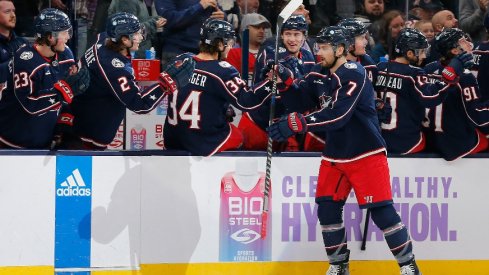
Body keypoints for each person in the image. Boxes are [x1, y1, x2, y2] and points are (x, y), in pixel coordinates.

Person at [267, 25, 422, 275]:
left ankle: (409, 266)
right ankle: (339, 266)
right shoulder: (319, 72)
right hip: (335, 154)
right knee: (327, 209)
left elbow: (339, 115)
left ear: (340, 49)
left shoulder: (354, 72)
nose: (319, 53)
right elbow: (299, 101)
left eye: (325, 48)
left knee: (381, 212)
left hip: (366, 153)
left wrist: (299, 124)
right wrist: (285, 82)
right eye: (318, 47)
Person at [64, 12, 194, 150]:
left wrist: (151, 25)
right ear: (125, 40)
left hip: (78, 116)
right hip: (88, 135)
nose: (141, 37)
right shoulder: (115, 69)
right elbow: (140, 105)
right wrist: (167, 82)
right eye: (136, 34)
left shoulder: (102, 39)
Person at [163, 18, 273, 156]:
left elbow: (194, 92)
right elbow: (247, 101)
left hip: (172, 140)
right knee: (238, 137)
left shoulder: (180, 60)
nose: (231, 47)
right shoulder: (223, 71)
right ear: (220, 44)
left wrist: (218, 108)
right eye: (229, 43)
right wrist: (271, 82)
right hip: (204, 143)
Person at [0, 8, 89, 149]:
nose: (68, 37)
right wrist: (61, 93)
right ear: (50, 37)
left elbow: (69, 93)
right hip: (12, 143)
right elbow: (29, 105)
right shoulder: (25, 60)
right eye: (64, 32)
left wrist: (64, 124)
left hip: (43, 141)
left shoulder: (66, 54)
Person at [375, 28, 473, 154]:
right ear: (409, 53)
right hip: (408, 141)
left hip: (382, 139)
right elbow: (429, 99)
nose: (424, 56)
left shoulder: (379, 67)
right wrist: (448, 78)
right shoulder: (414, 73)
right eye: (421, 52)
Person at [238, 14, 316, 151]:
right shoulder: (271, 52)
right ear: (281, 35)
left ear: (304, 36)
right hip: (259, 123)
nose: (292, 39)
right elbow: (284, 80)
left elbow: (305, 92)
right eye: (288, 34)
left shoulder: (308, 57)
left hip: (286, 126)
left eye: (297, 34)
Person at [423, 28, 489, 161]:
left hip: (431, 139)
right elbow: (478, 117)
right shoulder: (464, 76)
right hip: (454, 144)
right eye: (464, 41)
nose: (469, 44)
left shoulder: (429, 68)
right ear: (455, 50)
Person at [155, 0, 225, 64]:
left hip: (207, 52)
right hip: (178, 52)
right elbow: (168, 20)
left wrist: (222, 16)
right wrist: (199, 6)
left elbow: (218, 11)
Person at [225, 13, 270, 85]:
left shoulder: (269, 52)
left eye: (263, 28)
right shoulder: (234, 53)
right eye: (257, 27)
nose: (261, 31)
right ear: (245, 29)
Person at [0, 0, 27, 84]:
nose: (13, 15)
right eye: (7, 11)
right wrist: (17, 61)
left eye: (14, 11)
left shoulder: (22, 42)